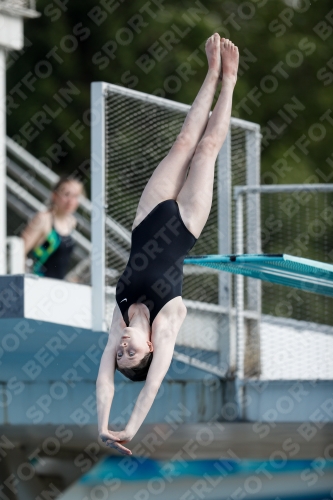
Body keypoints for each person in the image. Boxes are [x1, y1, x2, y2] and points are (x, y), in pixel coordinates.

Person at [96, 34, 239, 455]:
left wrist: (103, 423)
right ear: (151, 349)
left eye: (118, 354)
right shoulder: (166, 325)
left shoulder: (118, 321)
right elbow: (152, 384)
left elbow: (104, 380)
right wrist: (129, 428)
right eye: (130, 355)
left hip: (147, 218)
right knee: (206, 151)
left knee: (182, 141)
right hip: (185, 225)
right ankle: (229, 79)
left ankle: (210, 70)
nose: (122, 349)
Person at [21, 175, 83, 280]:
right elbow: (19, 251)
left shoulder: (72, 222)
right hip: (38, 284)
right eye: (66, 194)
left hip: (57, 287)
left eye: (75, 196)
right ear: (54, 195)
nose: (70, 201)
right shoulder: (43, 219)